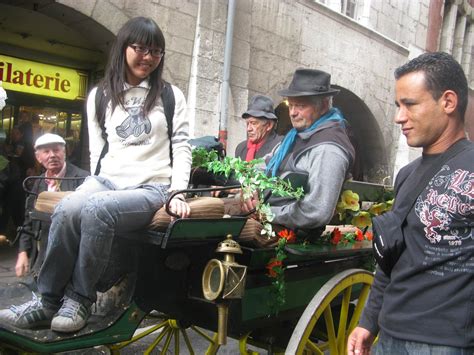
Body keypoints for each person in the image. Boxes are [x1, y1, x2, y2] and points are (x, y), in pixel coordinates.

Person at [0, 17, 192, 333]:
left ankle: (79, 298)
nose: (149, 57)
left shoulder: (170, 95)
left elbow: (182, 146)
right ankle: (47, 301)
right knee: (69, 206)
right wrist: (94, 183)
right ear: (123, 48)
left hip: (152, 186)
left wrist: (178, 192)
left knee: (97, 209)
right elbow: (97, 150)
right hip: (108, 180)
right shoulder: (100, 95)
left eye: (156, 51)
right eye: (141, 48)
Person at [348, 52, 473, 354]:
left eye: (410, 104)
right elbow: (390, 259)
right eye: (397, 105)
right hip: (389, 337)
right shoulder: (407, 175)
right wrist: (369, 321)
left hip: (447, 344)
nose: (398, 117)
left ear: (448, 102)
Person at [243, 69, 355, 232]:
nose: (293, 112)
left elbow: (316, 211)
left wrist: (267, 213)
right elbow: (262, 164)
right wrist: (249, 187)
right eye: (291, 104)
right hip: (268, 222)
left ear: (323, 105)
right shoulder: (295, 136)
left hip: (291, 239)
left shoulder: (329, 148)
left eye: (301, 106)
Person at [15, 133, 89, 278]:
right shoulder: (38, 182)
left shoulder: (83, 179)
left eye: (56, 150)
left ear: (64, 152)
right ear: (38, 158)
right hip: (42, 257)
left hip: (72, 258)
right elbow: (28, 220)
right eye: (46, 152)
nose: (52, 155)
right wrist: (23, 252)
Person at [234, 94, 281, 161]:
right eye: (247, 123)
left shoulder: (280, 147)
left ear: (269, 125)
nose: (249, 129)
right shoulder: (241, 148)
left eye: (254, 123)